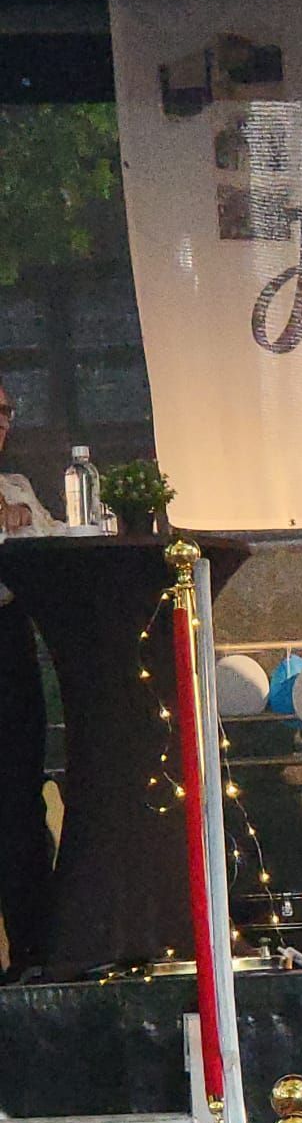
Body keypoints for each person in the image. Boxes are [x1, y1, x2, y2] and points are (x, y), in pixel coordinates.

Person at [0, 381, 63, 980]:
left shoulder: (16, 485)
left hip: (11, 642)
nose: (1, 422)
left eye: (6, 411)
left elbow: (51, 538)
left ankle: (33, 952)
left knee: (20, 797)